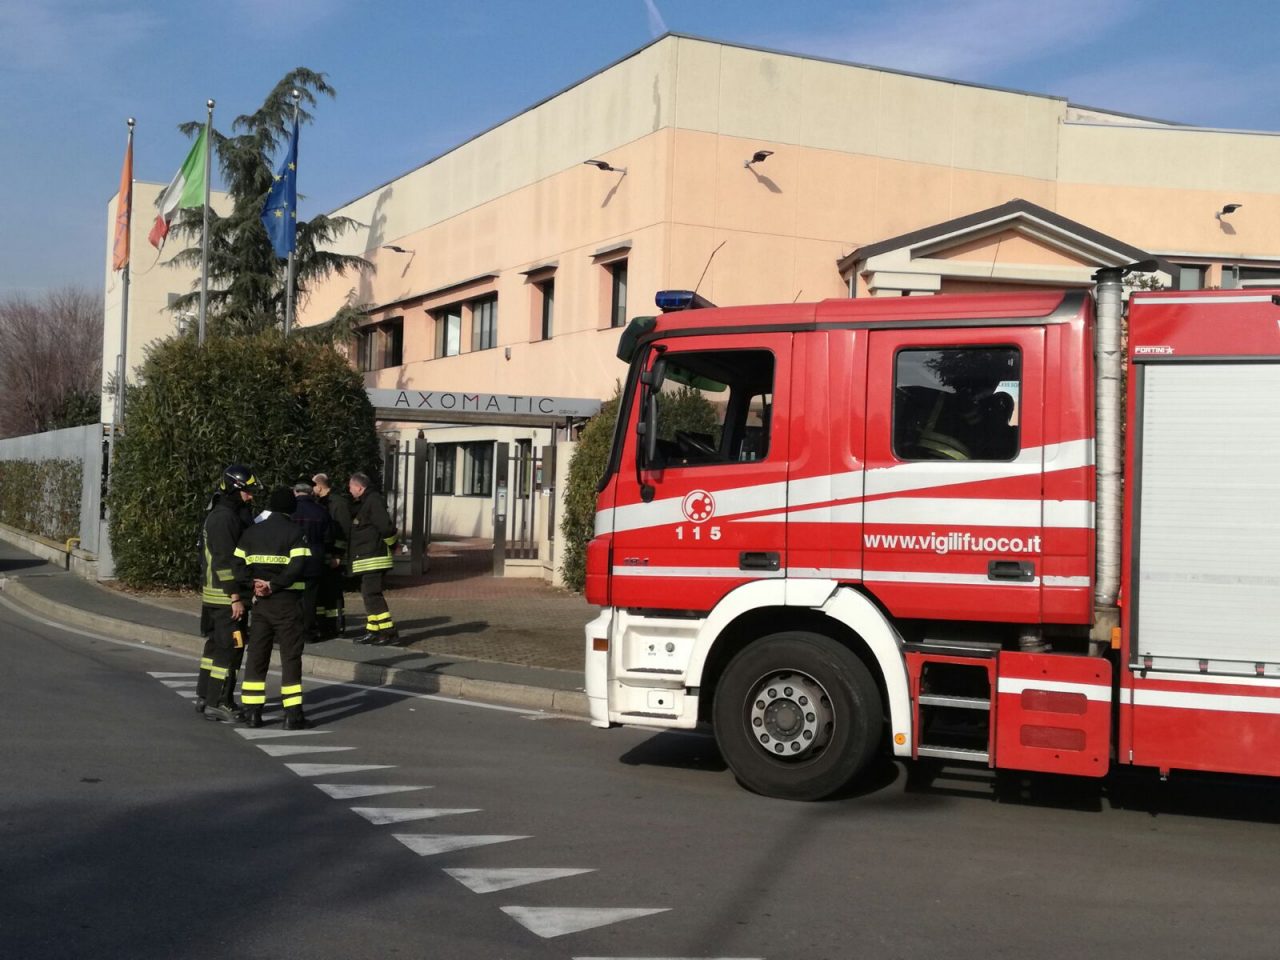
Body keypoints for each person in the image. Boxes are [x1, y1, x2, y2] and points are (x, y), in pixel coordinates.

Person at [232, 486, 311, 729]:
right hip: (286, 602)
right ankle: (292, 715)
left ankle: (253, 711)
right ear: (291, 508)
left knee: (257, 655)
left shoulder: (252, 533)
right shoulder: (296, 532)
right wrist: (273, 585)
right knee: (290, 657)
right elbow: (298, 566)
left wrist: (253, 585)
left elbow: (237, 565)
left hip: (260, 605)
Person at [197, 465, 258, 723]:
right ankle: (219, 701)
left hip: (215, 596)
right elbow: (224, 561)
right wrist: (235, 596)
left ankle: (205, 695)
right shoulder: (224, 518)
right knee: (230, 650)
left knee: (214, 649)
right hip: (225, 599)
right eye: (247, 492)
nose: (250, 496)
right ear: (234, 488)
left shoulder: (221, 514)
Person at [347, 471, 398, 645]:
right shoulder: (366, 502)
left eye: (351, 487)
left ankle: (388, 632)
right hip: (367, 557)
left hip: (373, 557)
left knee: (372, 595)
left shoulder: (373, 501)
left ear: (359, 487)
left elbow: (386, 528)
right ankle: (374, 631)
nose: (349, 490)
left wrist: (393, 545)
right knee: (368, 595)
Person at [291, 478, 333, 643]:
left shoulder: (290, 511)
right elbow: (328, 538)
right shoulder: (321, 511)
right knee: (310, 598)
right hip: (315, 560)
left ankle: (291, 630)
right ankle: (308, 631)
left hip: (293, 561)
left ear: (295, 492)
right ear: (311, 492)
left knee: (292, 597)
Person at [311, 472, 351, 639]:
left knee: (333, 593)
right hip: (324, 555)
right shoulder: (320, 503)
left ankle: (336, 626)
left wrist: (338, 555)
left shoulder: (338, 504)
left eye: (313, 486)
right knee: (323, 593)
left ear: (319, 486)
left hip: (334, 556)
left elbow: (344, 531)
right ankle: (324, 625)